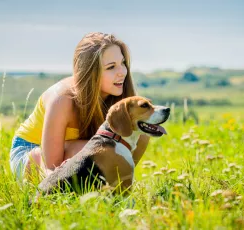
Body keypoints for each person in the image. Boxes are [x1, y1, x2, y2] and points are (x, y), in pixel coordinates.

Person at [9, 32, 150, 180]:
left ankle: (116, 183)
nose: (122, 72)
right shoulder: (61, 99)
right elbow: (50, 165)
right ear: (90, 72)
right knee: (105, 149)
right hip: (30, 150)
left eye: (122, 63)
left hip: (73, 151)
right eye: (111, 67)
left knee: (140, 131)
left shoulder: (118, 97)